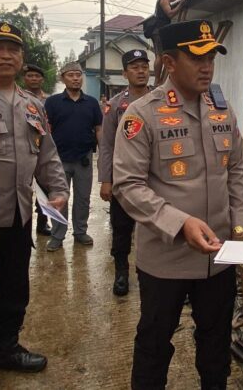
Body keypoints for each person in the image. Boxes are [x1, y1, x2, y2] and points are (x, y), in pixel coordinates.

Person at [112, 20, 243, 390]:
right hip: (166, 260)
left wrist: (242, 226)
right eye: (196, 57)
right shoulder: (143, 114)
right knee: (154, 345)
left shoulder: (223, 110)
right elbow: (128, 185)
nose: (207, 65)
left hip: (219, 258)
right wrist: (180, 223)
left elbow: (236, 172)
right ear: (169, 63)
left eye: (210, 56)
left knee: (215, 345)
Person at [0, 22, 68, 385]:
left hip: (19, 217)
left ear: (22, 58)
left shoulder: (33, 105)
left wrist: (57, 190)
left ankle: (5, 348)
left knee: (14, 289)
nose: (6, 55)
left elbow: (47, 156)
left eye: (13, 49)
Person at [97, 49, 151, 296]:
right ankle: (121, 272)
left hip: (155, 179)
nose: (140, 71)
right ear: (124, 73)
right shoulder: (116, 105)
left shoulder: (161, 100)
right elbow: (106, 144)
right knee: (121, 230)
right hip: (124, 179)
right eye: (134, 67)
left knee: (157, 229)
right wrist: (106, 179)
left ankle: (153, 273)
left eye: (144, 66)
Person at [44, 62, 102, 252]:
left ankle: (80, 232)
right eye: (71, 75)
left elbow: (98, 129)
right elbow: (45, 129)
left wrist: (102, 154)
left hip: (83, 158)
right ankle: (57, 235)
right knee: (58, 198)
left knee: (83, 198)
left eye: (78, 75)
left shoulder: (92, 103)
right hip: (58, 159)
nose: (76, 78)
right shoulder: (52, 103)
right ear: (63, 78)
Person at [21, 63, 53, 236]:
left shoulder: (49, 101)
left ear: (42, 79)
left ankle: (42, 222)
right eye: (30, 76)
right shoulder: (18, 97)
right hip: (23, 148)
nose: (33, 79)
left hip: (42, 148)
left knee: (44, 187)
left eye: (37, 76)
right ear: (24, 79)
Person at [151, 0, 188, 84]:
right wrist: (181, 4)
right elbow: (170, 14)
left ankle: (158, 78)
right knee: (160, 55)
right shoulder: (163, 0)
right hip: (160, 31)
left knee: (162, 54)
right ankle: (157, 79)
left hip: (160, 30)